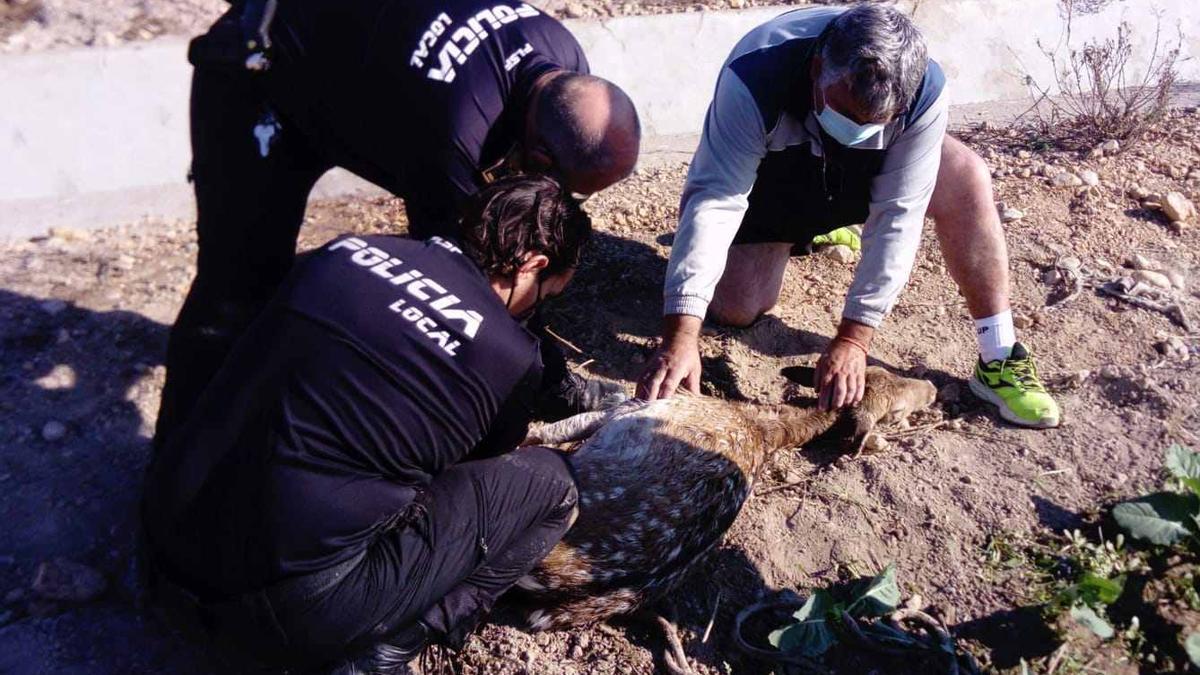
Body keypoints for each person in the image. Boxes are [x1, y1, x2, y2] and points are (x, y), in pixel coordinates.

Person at [142, 176, 590, 674]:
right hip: (280, 620)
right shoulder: (509, 355)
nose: (536, 309)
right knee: (551, 485)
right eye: (546, 295)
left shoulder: (345, 251)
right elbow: (479, 464)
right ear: (533, 265)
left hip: (162, 545)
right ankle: (399, 642)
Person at [157, 0, 641, 444]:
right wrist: (527, 379)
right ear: (539, 154)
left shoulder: (566, 61)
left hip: (355, 66)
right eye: (572, 193)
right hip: (264, 80)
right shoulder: (457, 135)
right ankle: (175, 464)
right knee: (235, 289)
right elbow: (467, 282)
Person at [637, 3, 1060, 429]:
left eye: (875, 120)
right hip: (778, 169)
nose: (859, 127)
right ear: (820, 69)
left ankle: (999, 355)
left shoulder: (922, 89)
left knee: (966, 175)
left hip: (865, 174)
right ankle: (805, 231)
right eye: (846, 113)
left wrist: (854, 337)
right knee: (736, 307)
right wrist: (681, 336)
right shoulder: (756, 73)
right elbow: (717, 199)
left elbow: (898, 214)